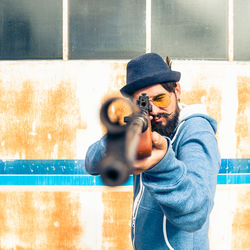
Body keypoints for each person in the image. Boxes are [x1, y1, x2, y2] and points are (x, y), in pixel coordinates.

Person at [85, 53, 220, 250]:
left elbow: (195, 214)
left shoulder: (196, 130)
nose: (154, 111)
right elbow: (90, 163)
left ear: (177, 91)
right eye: (144, 103)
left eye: (161, 98)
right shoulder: (143, 131)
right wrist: (123, 135)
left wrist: (162, 165)